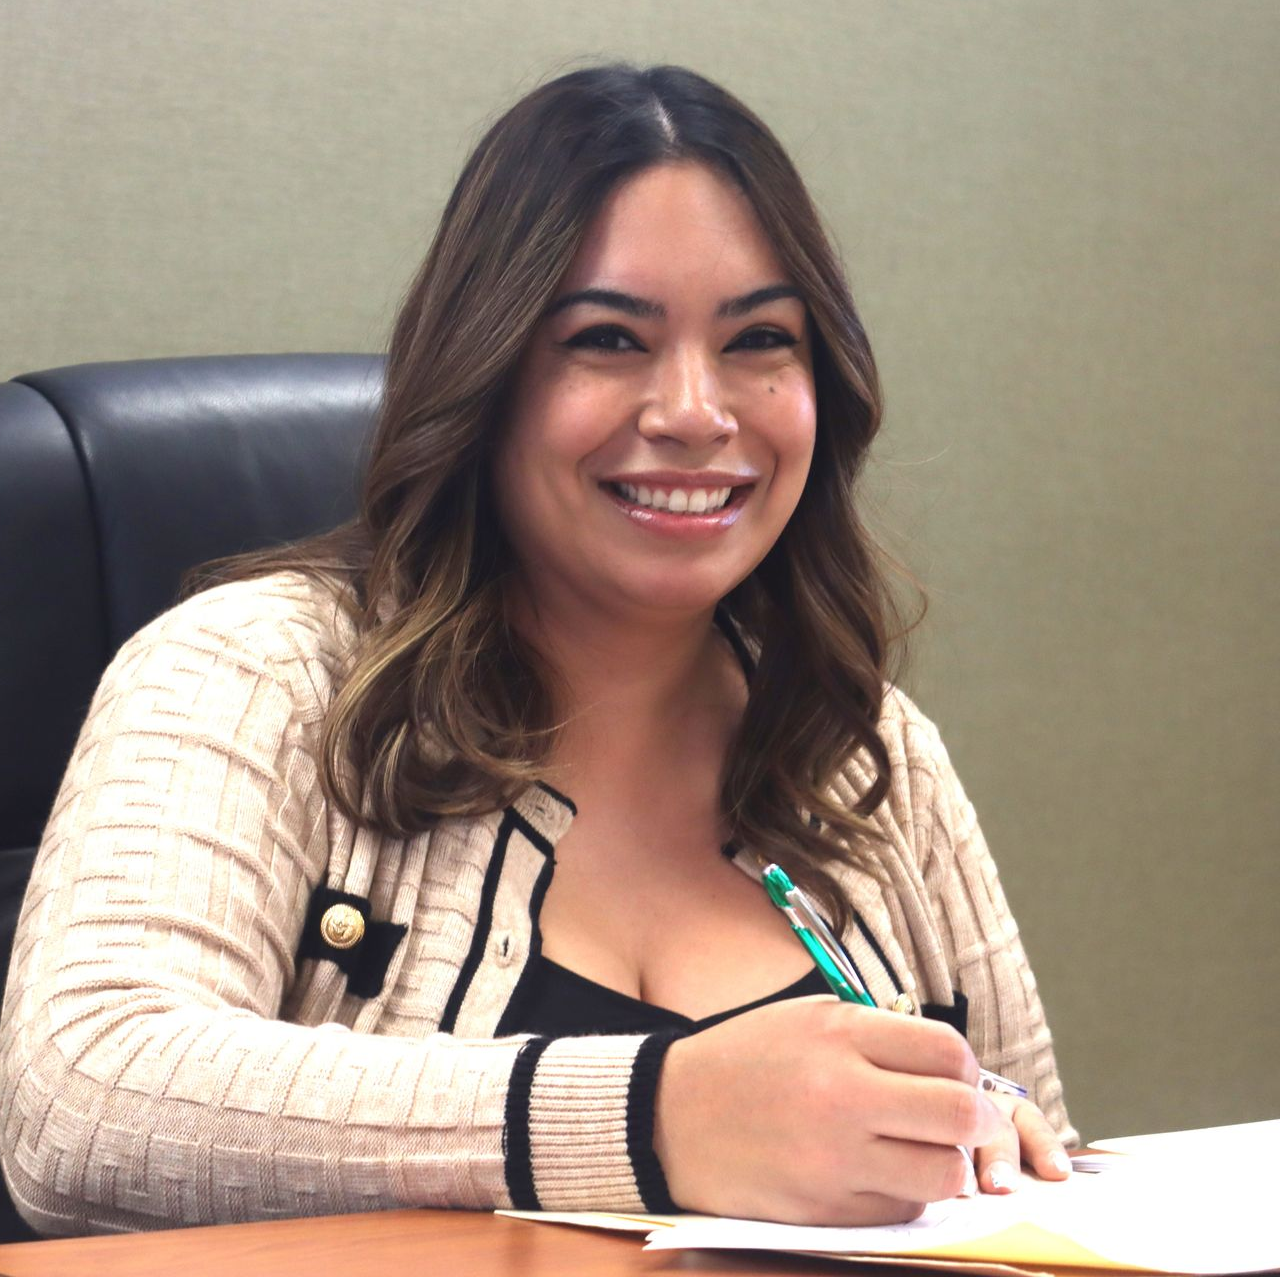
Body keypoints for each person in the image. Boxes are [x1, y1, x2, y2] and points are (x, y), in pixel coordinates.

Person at [0, 64, 1075, 1237]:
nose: (693, 412)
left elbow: (1050, 1189)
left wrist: (988, 1142)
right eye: (608, 339)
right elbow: (81, 1100)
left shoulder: (868, 752)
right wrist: (656, 1115)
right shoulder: (252, 670)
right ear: (484, 374)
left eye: (757, 339)